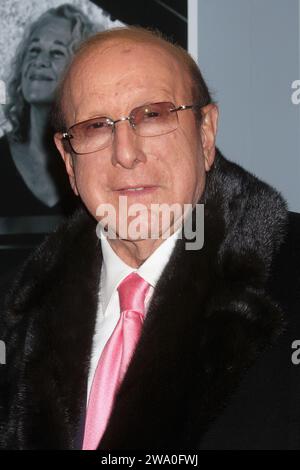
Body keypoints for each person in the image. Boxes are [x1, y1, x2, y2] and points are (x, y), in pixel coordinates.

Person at [0, 26, 299, 450]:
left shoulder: (290, 272)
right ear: (68, 161)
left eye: (153, 115)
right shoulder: (14, 311)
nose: (125, 152)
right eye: (96, 126)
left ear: (206, 132)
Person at [0, 4, 97, 219]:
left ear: (80, 69)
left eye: (56, 53)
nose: (40, 62)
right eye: (34, 50)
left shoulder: (98, 158)